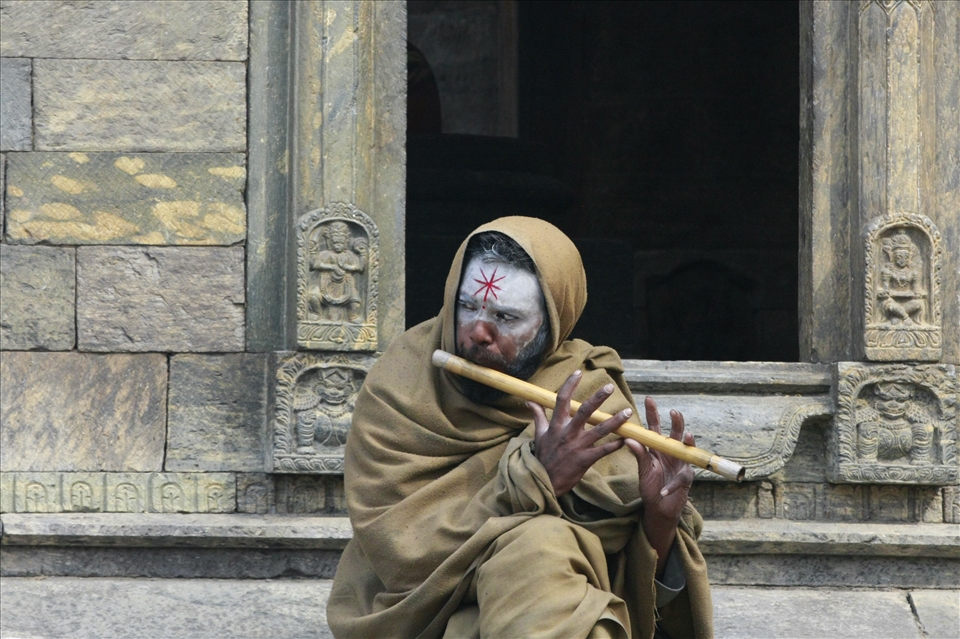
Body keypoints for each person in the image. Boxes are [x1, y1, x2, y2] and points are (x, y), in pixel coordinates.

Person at [328, 217, 713, 639]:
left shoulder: (586, 392)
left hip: (534, 612)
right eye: (468, 306)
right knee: (538, 548)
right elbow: (399, 551)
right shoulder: (400, 383)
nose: (478, 332)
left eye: (505, 317)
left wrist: (659, 519)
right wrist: (538, 479)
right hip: (416, 614)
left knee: (542, 553)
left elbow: (624, 577)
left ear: (553, 326)